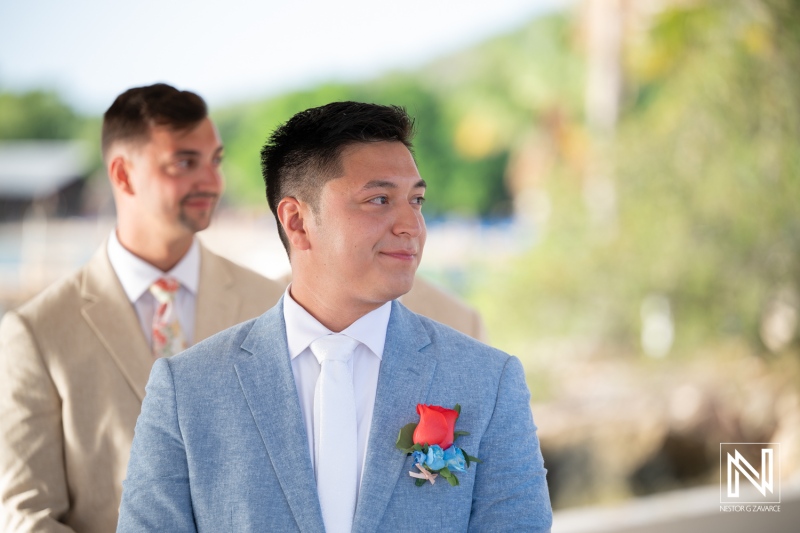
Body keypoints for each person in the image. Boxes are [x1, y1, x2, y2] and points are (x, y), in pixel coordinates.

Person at [117, 101, 552, 532]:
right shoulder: (186, 389)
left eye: (416, 200)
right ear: (298, 221)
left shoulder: (489, 381)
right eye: (379, 199)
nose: (411, 225)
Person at [0, 84, 286, 532]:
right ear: (123, 175)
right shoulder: (35, 333)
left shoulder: (270, 304)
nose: (212, 181)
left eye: (215, 160)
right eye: (185, 162)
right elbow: (23, 513)